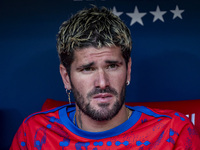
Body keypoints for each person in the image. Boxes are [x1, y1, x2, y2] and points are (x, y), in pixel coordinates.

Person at [10, 6, 200, 150]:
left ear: (128, 70)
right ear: (66, 77)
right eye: (87, 69)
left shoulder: (173, 132)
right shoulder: (34, 133)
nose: (102, 83)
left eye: (112, 66)